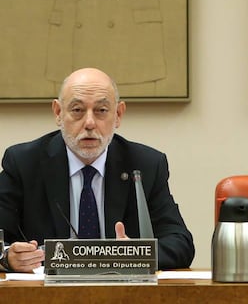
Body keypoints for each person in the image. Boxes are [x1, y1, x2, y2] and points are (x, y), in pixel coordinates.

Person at [0, 67, 195, 272]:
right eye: (77, 110)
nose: (90, 123)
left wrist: (138, 253)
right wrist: (7, 258)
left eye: (101, 111)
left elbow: (180, 243)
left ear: (118, 114)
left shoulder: (145, 165)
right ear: (58, 113)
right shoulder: (24, 163)